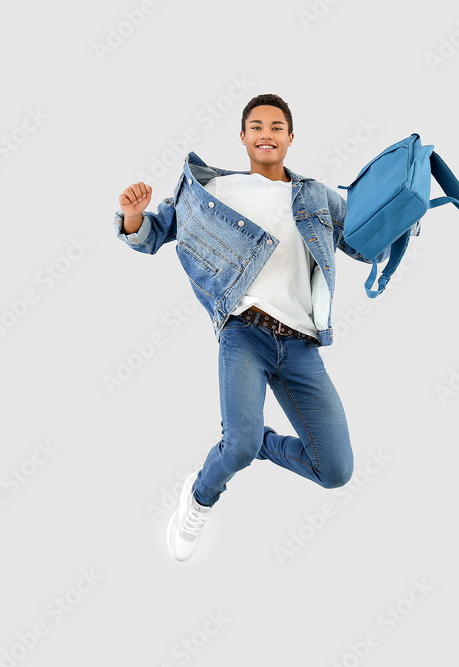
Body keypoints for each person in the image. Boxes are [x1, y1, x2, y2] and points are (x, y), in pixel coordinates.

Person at [114, 93, 393, 561]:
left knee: (336, 469)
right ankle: (200, 497)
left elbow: (366, 243)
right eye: (257, 126)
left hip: (302, 346)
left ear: (290, 138)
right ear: (243, 137)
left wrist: (404, 213)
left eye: (277, 126)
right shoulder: (213, 193)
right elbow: (153, 234)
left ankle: (254, 441)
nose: (267, 133)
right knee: (236, 447)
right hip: (246, 334)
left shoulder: (317, 195)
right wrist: (133, 215)